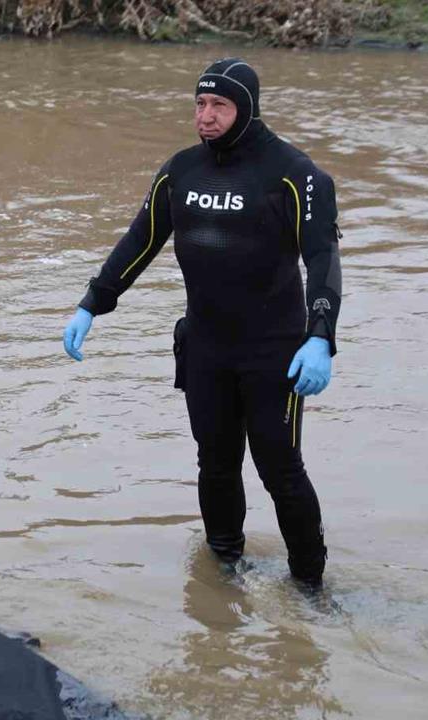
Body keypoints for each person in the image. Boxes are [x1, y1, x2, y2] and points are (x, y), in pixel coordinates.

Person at [61, 59, 342, 589]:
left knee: (279, 470)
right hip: (207, 347)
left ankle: (310, 587)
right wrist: (92, 303)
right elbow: (140, 241)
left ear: (246, 108)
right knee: (214, 464)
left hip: (273, 351)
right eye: (200, 104)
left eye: (219, 105)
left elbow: (323, 258)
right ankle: (223, 572)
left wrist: (320, 336)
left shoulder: (295, 174)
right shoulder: (182, 170)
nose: (206, 116)